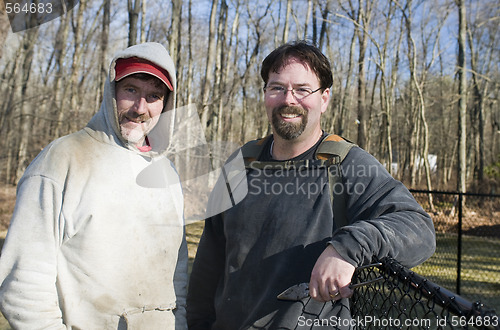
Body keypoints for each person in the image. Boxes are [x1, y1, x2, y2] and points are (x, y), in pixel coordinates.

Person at [186, 41, 436, 329]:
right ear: (266, 94)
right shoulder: (240, 164)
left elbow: (418, 228)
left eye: (302, 90)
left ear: (324, 98)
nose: (288, 99)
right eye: (277, 87)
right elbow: (209, 263)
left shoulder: (347, 165)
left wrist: (347, 248)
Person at [0, 42, 188, 329]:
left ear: (166, 105)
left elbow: (178, 278)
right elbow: (23, 281)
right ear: (111, 90)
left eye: (154, 96)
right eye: (131, 90)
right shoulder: (64, 159)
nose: (140, 108)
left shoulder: (167, 174)